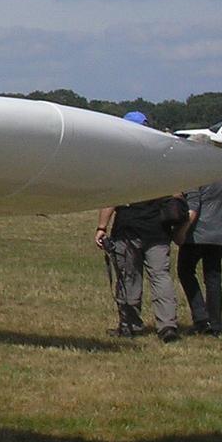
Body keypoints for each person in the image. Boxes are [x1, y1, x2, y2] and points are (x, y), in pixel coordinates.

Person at [95, 113, 185, 342]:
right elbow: (177, 195)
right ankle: (167, 326)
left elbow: (111, 198)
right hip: (158, 231)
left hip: (128, 230)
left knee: (128, 278)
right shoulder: (163, 160)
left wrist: (101, 227)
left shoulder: (121, 162)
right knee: (160, 277)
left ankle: (130, 325)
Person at [177, 176, 222, 335]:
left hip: (196, 233)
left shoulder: (196, 172)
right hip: (219, 230)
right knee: (213, 277)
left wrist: (181, 232)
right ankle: (216, 323)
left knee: (185, 272)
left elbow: (193, 206)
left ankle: (201, 318)